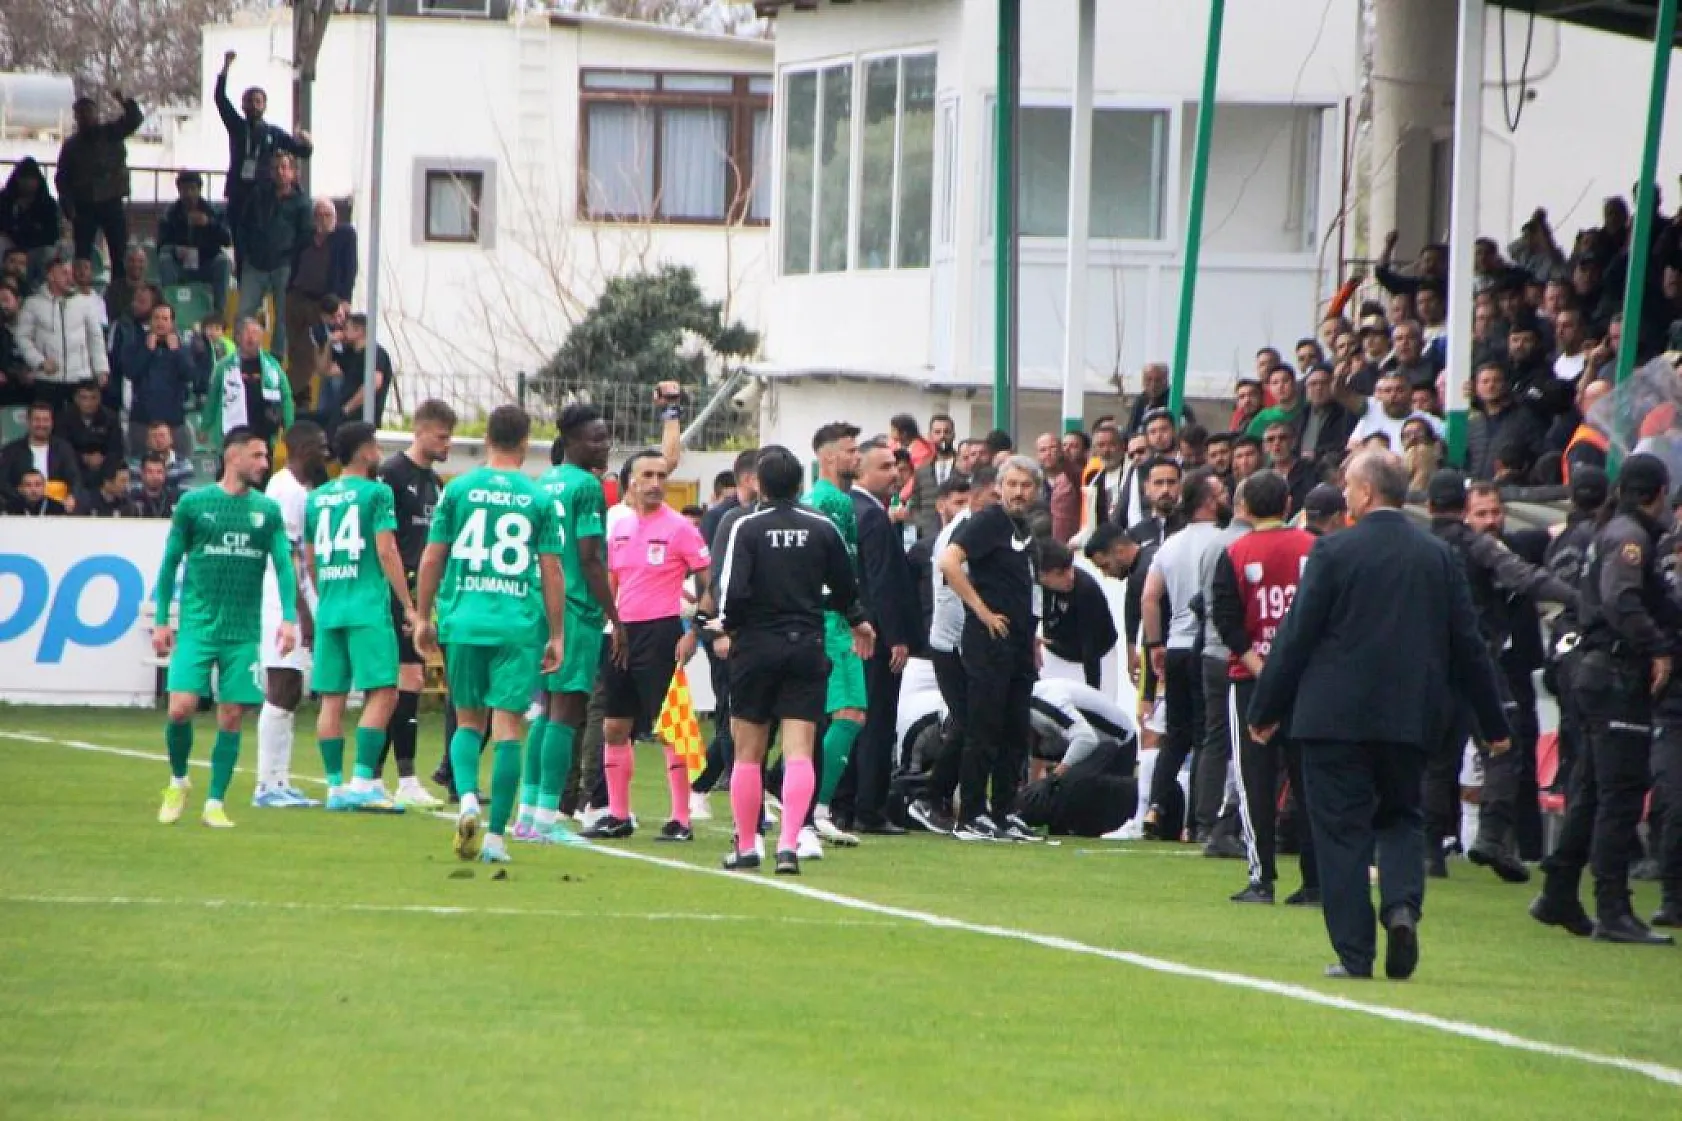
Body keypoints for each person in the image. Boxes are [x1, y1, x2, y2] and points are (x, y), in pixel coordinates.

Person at [1247, 451, 1508, 980]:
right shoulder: (1437, 556)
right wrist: (1494, 724)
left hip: (1332, 719)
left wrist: (1265, 708)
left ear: (1366, 494)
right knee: (1401, 817)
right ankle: (1401, 907)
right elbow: (1469, 644)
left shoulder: (1334, 552)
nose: (1343, 494)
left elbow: (1297, 638)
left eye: (1348, 485)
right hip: (1407, 718)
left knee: (1341, 832)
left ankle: (1355, 953)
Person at [1532, 454, 1680, 945]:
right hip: (1616, 673)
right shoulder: (1629, 539)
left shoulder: (1612, 531)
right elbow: (1621, 601)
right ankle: (1613, 906)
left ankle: (1558, 889)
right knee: (1619, 793)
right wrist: (1658, 646)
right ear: (1656, 493)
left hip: (1597, 672)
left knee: (1592, 787)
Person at [713, 445, 875, 874]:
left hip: (757, 645)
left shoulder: (746, 527)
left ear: (760, 484)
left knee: (749, 752)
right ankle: (789, 843)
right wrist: (856, 620)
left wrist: (729, 628)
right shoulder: (822, 527)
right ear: (800, 484)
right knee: (799, 748)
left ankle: (748, 845)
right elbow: (845, 587)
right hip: (806, 643)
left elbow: (732, 594)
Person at [415, 405, 566, 866]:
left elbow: (432, 557)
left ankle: (465, 802)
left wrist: (423, 615)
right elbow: (552, 569)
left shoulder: (458, 490)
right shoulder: (539, 498)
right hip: (517, 625)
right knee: (507, 728)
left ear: (485, 440)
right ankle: (497, 837)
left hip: (465, 620)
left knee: (467, 721)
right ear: (525, 444)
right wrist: (556, 633)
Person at [1424, 473, 1575, 883]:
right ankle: (1491, 835)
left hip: (1430, 665)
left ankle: (1430, 851)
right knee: (1503, 745)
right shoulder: (1477, 546)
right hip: (1476, 660)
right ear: (1462, 508)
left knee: (1439, 757)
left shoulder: (1420, 545)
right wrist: (1578, 598)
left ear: (1430, 507)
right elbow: (1526, 577)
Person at [152, 427, 301, 830]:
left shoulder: (266, 511)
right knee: (180, 708)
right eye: (258, 455)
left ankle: (215, 802)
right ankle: (179, 780)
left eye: (266, 457)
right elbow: (169, 565)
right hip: (199, 627)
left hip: (243, 632)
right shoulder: (194, 504)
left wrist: (288, 617)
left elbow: (284, 566)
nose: (264, 463)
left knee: (232, 714)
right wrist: (163, 619)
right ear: (233, 456)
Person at [583, 448, 711, 842]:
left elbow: (711, 585)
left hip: (661, 633)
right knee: (614, 725)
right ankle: (618, 814)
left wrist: (695, 632)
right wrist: (610, 624)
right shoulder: (618, 526)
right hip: (622, 633)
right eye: (648, 476)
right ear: (631, 483)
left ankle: (681, 819)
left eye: (661, 475)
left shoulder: (680, 528)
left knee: (670, 726)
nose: (656, 483)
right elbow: (613, 582)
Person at [1209, 470, 1319, 906]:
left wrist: (1261, 668)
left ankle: (1263, 880)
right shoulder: (1315, 549)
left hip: (1250, 682)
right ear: (1288, 503)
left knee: (1255, 782)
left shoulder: (1234, 553)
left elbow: (1227, 622)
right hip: (1305, 682)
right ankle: (1315, 881)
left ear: (1243, 508)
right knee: (1308, 781)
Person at [517, 405, 621, 846]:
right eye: (595, 438)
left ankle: (526, 812)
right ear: (571, 441)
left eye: (605, 437)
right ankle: (547, 818)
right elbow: (590, 558)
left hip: (542, 605)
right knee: (566, 711)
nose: (604, 445)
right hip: (575, 608)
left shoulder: (545, 481)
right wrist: (616, 617)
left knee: (544, 709)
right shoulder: (587, 487)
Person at [304, 422, 417, 814]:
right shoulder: (377, 493)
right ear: (364, 450)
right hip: (367, 606)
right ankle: (364, 781)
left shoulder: (316, 499)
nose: (379, 450)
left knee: (331, 700)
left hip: (332, 606)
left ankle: (335, 787)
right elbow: (387, 551)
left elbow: (311, 557)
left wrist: (326, 594)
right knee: (385, 691)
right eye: (375, 444)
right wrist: (408, 604)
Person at [939, 455, 1043, 842]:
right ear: (999, 487)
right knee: (984, 727)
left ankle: (1003, 811)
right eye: (1012, 484)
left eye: (1026, 485)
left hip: (1018, 642)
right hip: (989, 640)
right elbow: (949, 561)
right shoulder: (987, 521)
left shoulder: (1024, 529)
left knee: (1016, 728)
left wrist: (1032, 638)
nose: (1018, 492)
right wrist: (981, 611)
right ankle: (970, 813)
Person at [1140, 468, 1230, 842]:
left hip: (1174, 646)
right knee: (1206, 735)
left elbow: (1149, 597)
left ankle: (1156, 808)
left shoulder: (1170, 544)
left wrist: (1155, 644)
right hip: (1208, 646)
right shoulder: (1225, 541)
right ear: (1208, 501)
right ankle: (1196, 820)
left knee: (1175, 735)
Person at [373, 399, 455, 805]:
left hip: (420, 595)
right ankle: (397, 777)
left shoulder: (435, 484)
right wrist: (405, 602)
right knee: (402, 682)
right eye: (442, 436)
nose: (448, 444)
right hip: (395, 591)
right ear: (420, 431)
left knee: (408, 683)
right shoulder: (390, 474)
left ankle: (379, 776)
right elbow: (383, 542)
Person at [906, 468, 991, 835]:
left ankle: (945, 798)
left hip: (961, 641)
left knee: (970, 722)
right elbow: (950, 587)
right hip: (953, 643)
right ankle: (936, 797)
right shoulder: (960, 535)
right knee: (969, 722)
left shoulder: (979, 530)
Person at [841, 437, 919, 834]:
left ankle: (842, 803)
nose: (895, 474)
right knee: (875, 722)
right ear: (862, 472)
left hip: (850, 633)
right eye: (885, 467)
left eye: (896, 467)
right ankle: (867, 809)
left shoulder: (850, 509)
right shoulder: (870, 516)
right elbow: (882, 582)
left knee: (850, 718)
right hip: (874, 637)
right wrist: (897, 636)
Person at [252, 421, 327, 809]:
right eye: (319, 446)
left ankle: (279, 779)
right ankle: (266, 784)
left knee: (292, 687)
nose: (325, 453)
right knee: (282, 685)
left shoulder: (295, 489)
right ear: (298, 447)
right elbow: (286, 558)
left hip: (288, 600)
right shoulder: (286, 492)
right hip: (280, 601)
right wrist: (302, 613)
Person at [805, 421, 870, 848]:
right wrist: (856, 617)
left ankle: (802, 801)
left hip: (825, 619)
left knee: (830, 716)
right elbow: (838, 572)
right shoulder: (832, 503)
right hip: (831, 621)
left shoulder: (821, 499)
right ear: (829, 457)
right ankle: (816, 808)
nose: (857, 457)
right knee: (849, 713)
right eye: (850, 451)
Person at [692, 448, 760, 816]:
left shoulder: (756, 517)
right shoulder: (724, 518)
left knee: (750, 716)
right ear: (751, 478)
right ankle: (738, 796)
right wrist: (715, 630)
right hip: (724, 627)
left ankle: (703, 783)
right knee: (731, 715)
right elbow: (714, 577)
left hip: (752, 632)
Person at [1015, 677, 1140, 838]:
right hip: (1096, 745)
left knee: (1068, 787)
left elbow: (1086, 738)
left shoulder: (1043, 704)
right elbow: (1041, 750)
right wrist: (1033, 789)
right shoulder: (1031, 707)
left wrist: (1053, 778)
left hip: (1118, 744)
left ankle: (1142, 800)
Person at [216, 50, 313, 248]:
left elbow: (302, 152)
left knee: (260, 238)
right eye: (249, 101)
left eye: (258, 101)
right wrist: (225, 67)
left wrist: (308, 142)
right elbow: (220, 99)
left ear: (265, 106)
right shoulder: (237, 127)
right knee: (239, 239)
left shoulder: (273, 133)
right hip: (239, 192)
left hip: (263, 195)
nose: (253, 105)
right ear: (243, 106)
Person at [54, 92, 144, 267]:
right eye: (81, 113)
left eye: (89, 111)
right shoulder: (71, 146)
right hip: (84, 204)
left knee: (119, 254)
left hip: (112, 199)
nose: (85, 116)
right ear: (76, 117)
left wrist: (124, 100)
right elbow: (62, 179)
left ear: (96, 114)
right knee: (82, 255)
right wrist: (68, 206)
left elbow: (135, 119)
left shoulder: (111, 132)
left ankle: (119, 289)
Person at [204, 319, 294, 452]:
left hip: (263, 433)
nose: (251, 337)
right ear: (238, 337)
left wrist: (289, 427)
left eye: (255, 333)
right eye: (247, 333)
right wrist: (205, 426)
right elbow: (213, 397)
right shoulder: (224, 366)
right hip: (233, 434)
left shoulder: (272, 366)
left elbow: (286, 397)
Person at [1039, 540, 1117, 690]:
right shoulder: (1033, 584)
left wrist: (1093, 691)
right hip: (1056, 651)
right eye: (1060, 573)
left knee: (1095, 707)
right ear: (1042, 576)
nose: (1070, 576)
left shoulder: (1086, 591)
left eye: (1070, 568)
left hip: (1098, 656)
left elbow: (1091, 648)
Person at [157, 171, 233, 313]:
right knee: (164, 260)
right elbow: (161, 246)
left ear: (199, 190)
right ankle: (169, 310)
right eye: (185, 190)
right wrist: (176, 250)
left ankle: (218, 314)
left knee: (223, 262)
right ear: (179, 191)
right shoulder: (170, 214)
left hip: (206, 264)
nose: (189, 194)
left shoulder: (213, 211)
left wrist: (209, 224)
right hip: (180, 266)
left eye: (193, 189)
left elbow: (227, 239)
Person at [1, 400, 80, 510]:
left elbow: (74, 478)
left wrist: (72, 496)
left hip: (56, 506)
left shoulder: (63, 448)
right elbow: (3, 482)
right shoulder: (11, 450)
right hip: (19, 506)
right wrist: (21, 498)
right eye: (37, 420)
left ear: (52, 423)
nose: (41, 424)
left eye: (45, 420)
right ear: (28, 422)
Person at [906, 413, 959, 540]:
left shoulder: (963, 468)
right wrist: (922, 523)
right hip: (928, 535)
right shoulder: (921, 470)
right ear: (930, 436)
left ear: (953, 435)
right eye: (937, 432)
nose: (942, 436)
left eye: (947, 432)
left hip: (957, 534)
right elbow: (914, 504)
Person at [2, 468, 67, 516]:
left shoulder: (57, 508)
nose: (33, 489)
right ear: (20, 488)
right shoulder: (11, 508)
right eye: (28, 485)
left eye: (38, 485)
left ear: (44, 487)